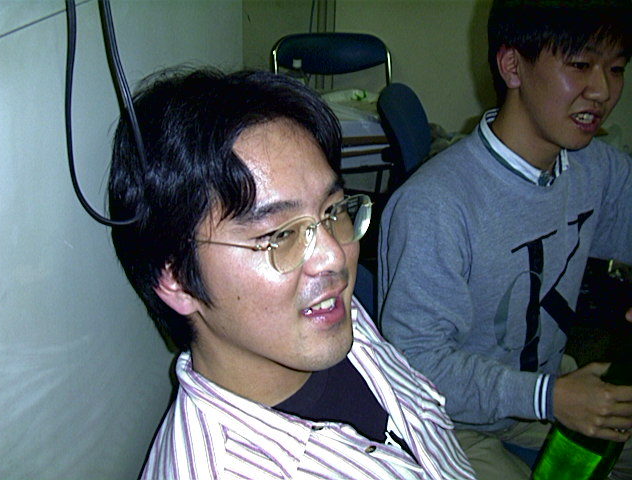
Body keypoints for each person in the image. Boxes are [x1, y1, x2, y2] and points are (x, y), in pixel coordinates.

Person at [107, 67, 475, 479]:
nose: (334, 256)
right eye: (280, 235)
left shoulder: (328, 315)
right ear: (177, 279)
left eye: (332, 210)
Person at [377, 0, 632, 478]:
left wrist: (549, 394)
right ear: (513, 66)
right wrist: (547, 397)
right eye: (580, 65)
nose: (602, 91)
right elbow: (417, 369)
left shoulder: (593, 168)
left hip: (546, 388)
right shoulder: (434, 204)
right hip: (449, 418)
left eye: (616, 69)